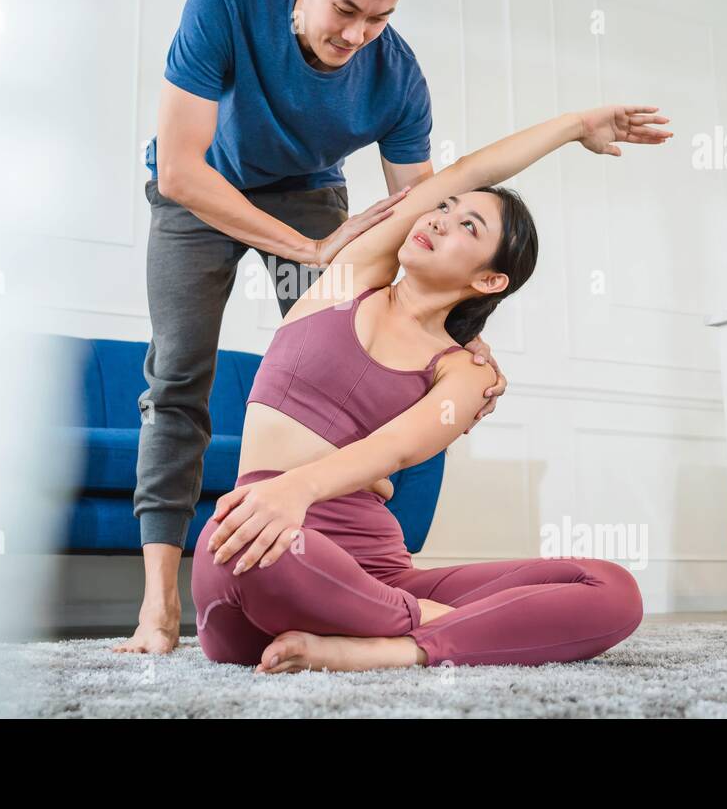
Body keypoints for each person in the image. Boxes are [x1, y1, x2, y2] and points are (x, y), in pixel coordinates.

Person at [117, 0, 512, 655]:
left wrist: (467, 338)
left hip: (309, 196)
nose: (358, 35)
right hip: (200, 191)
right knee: (177, 379)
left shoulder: (397, 78)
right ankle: (158, 609)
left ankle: (347, 575)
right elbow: (178, 169)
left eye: (380, 18)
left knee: (352, 368)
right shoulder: (225, 3)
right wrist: (307, 249)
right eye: (346, 9)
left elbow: (420, 218)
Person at [191, 103, 673, 673]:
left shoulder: (465, 373)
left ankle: (394, 649)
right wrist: (573, 128)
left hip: (378, 572)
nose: (440, 218)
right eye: (444, 210)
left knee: (610, 587)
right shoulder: (349, 278)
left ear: (489, 281)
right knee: (243, 541)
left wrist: (296, 489)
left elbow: (394, 450)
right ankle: (435, 624)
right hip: (276, 551)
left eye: (469, 226)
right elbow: (465, 170)